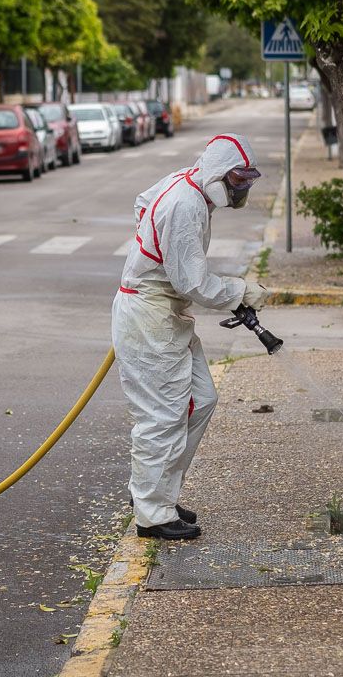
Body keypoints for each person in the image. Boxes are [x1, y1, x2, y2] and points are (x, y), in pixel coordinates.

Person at [111, 133, 270, 540]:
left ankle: (156, 492)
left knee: (202, 399)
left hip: (163, 310)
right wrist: (240, 291)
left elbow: (141, 203)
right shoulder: (185, 204)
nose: (242, 188)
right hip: (150, 316)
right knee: (161, 416)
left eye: (247, 180)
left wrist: (152, 254)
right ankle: (152, 514)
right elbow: (192, 281)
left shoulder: (187, 183)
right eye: (238, 179)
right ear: (218, 173)